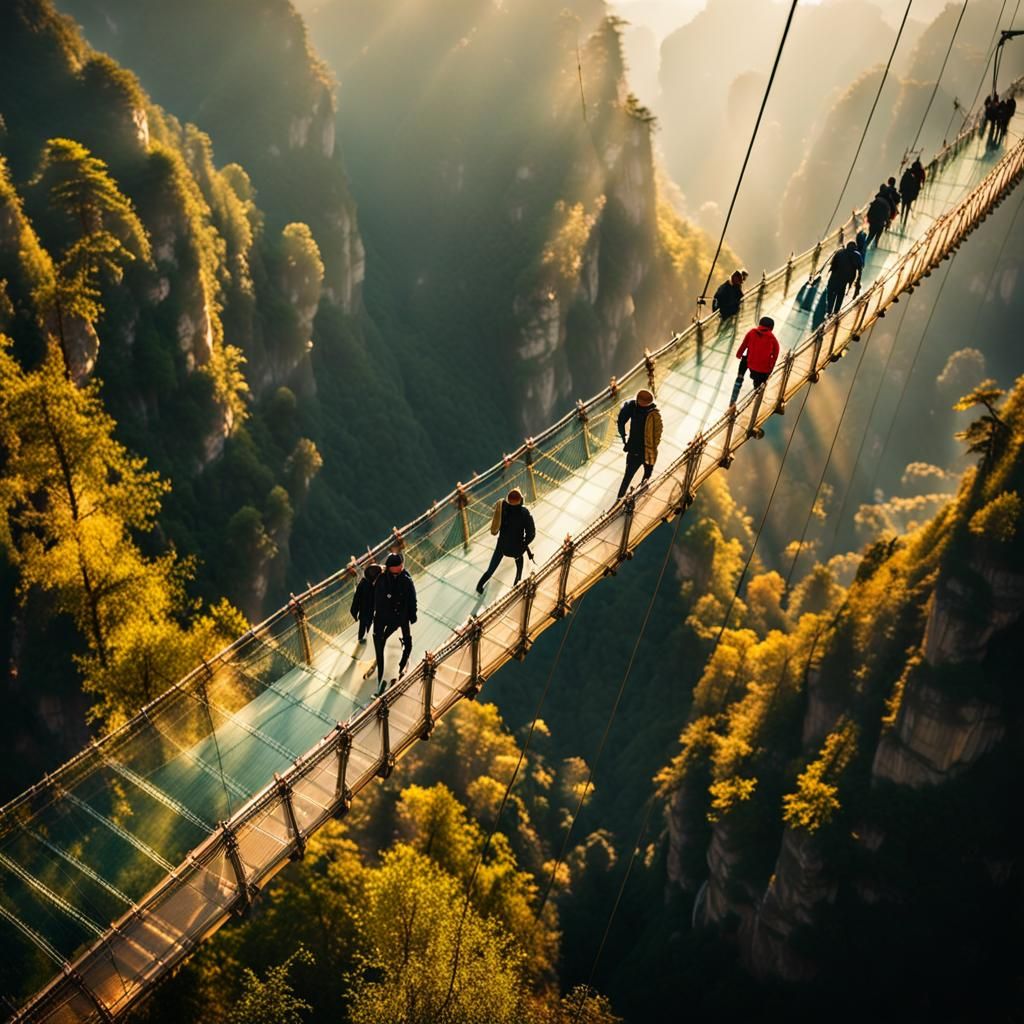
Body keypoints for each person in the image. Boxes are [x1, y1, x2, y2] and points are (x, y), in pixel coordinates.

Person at [372, 552, 417, 695]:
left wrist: (413, 614)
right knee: (380, 641)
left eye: (401, 564)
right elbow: (377, 598)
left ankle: (402, 666)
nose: (401, 566)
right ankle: (381, 674)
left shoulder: (406, 579)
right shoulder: (382, 579)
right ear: (391, 567)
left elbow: (412, 598)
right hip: (383, 616)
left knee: (407, 641)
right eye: (398, 565)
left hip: (401, 616)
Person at [476, 488, 536, 593]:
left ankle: (480, 586)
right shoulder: (524, 513)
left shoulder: (503, 508)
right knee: (519, 561)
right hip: (516, 549)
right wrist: (524, 544)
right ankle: (517, 582)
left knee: (491, 569)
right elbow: (531, 533)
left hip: (502, 546)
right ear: (521, 500)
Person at [616, 388, 663, 500]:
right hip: (647, 451)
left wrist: (623, 436)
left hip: (637, 449)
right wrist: (653, 447)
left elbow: (621, 420)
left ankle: (620, 498)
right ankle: (640, 493)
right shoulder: (654, 414)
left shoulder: (634, 407)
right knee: (645, 472)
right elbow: (658, 433)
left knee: (628, 475)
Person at [731, 316, 780, 405]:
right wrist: (769, 370)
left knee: (744, 359)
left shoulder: (751, 333)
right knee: (758, 385)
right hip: (762, 371)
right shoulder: (773, 339)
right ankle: (756, 399)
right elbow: (775, 356)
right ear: (772, 328)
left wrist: (739, 355)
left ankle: (739, 380)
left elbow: (743, 346)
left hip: (750, 363)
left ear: (759, 324)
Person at [825, 241, 862, 317]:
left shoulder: (839, 253)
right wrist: (857, 283)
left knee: (831, 294)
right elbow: (860, 269)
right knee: (840, 295)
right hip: (844, 280)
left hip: (834, 278)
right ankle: (835, 312)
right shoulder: (857, 256)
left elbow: (832, 265)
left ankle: (829, 311)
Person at [350, 561, 382, 642]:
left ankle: (366, 637)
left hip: (369, 611)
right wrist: (354, 611)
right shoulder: (366, 584)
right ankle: (362, 638)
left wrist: (354, 611)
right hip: (365, 611)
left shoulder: (371, 584)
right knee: (364, 625)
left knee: (367, 624)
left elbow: (356, 599)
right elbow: (357, 599)